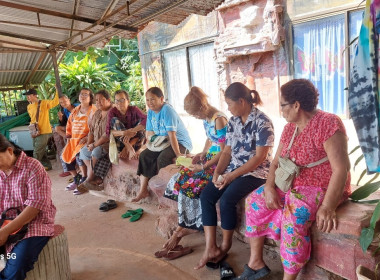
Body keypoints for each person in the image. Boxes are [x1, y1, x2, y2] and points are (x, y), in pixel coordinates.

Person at [234, 79, 351, 280]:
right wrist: (269, 186)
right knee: (255, 201)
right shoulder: (290, 128)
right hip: (291, 182)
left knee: (293, 214)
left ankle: (289, 277)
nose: (280, 111)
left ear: (296, 105)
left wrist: (328, 207)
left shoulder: (328, 123)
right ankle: (256, 263)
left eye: (283, 105)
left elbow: (341, 169)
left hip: (321, 185)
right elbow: (276, 162)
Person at [195, 82, 274, 270]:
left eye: (230, 104)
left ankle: (225, 245)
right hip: (233, 169)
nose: (228, 109)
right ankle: (211, 247)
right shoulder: (234, 122)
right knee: (207, 195)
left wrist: (230, 177)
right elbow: (227, 152)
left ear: (241, 101)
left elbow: (259, 158)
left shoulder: (263, 122)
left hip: (256, 173)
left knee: (227, 200)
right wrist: (217, 173)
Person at [156, 86, 228, 257]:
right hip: (210, 158)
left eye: (196, 114)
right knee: (178, 181)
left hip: (221, 163)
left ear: (202, 108)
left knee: (192, 187)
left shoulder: (219, 119)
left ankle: (178, 234)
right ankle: (180, 230)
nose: (196, 117)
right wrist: (202, 153)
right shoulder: (207, 118)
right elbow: (210, 139)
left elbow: (224, 151)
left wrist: (204, 166)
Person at [0, 134, 56, 280]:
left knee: (17, 265)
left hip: (33, 224)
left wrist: (5, 231)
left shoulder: (33, 166)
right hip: (4, 223)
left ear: (10, 151)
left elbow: (34, 207)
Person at [135, 87, 192, 202]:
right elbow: (149, 134)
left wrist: (179, 155)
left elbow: (172, 136)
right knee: (144, 156)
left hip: (179, 142)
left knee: (162, 159)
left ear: (161, 99)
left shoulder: (167, 110)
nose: (150, 103)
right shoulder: (150, 111)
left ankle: (167, 196)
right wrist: (143, 148)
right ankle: (143, 191)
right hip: (163, 142)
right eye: (147, 100)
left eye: (153, 99)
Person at [61, 88, 97, 195]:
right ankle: (76, 179)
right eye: (81, 94)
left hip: (86, 140)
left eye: (86, 94)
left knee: (79, 155)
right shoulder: (75, 110)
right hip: (74, 140)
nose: (83, 96)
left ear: (90, 98)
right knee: (64, 157)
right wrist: (68, 141)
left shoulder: (93, 110)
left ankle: (84, 179)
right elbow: (69, 126)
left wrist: (88, 138)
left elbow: (96, 127)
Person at [77, 89, 113, 192]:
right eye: (96, 100)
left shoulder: (112, 112)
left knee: (96, 151)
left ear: (108, 100)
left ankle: (88, 179)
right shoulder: (97, 113)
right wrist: (89, 144)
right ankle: (95, 177)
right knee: (83, 151)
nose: (98, 102)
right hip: (96, 143)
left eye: (101, 100)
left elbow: (107, 135)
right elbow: (91, 131)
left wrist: (94, 145)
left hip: (109, 144)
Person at [106, 89, 147, 160]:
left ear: (128, 101)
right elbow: (108, 132)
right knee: (115, 120)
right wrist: (124, 133)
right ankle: (128, 146)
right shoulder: (112, 112)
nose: (119, 103)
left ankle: (128, 146)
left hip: (135, 143)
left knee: (141, 126)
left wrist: (132, 131)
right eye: (116, 101)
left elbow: (147, 120)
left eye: (122, 100)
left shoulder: (134, 110)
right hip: (119, 145)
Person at [24, 88, 59, 171]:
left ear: (35, 95)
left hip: (44, 132)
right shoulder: (29, 106)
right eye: (27, 96)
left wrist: (57, 90)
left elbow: (55, 102)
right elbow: (32, 119)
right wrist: (32, 130)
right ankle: (48, 166)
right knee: (41, 151)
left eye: (29, 95)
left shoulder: (44, 103)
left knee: (37, 152)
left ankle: (33, 170)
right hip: (35, 131)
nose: (28, 97)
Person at [53, 95, 76, 177]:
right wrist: (61, 118)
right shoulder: (65, 111)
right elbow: (65, 124)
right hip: (71, 131)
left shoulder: (77, 107)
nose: (63, 103)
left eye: (65, 101)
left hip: (79, 129)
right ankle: (68, 138)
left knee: (67, 152)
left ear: (69, 100)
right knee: (57, 128)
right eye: (61, 102)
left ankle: (72, 172)